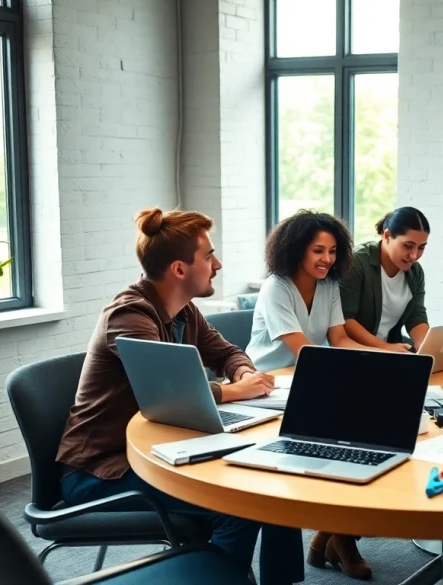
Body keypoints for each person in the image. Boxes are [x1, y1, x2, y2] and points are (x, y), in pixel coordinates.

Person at [56, 208, 304, 585]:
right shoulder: (129, 314)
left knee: (271, 483)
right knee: (240, 504)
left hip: (164, 447)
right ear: (179, 269)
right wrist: (235, 390)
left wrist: (245, 372)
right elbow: (168, 390)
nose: (217, 264)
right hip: (103, 470)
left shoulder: (184, 310)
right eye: (209, 256)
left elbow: (225, 352)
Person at [244, 210, 373, 580]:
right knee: (347, 437)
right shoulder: (276, 287)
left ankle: (332, 538)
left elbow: (340, 339)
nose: (327, 259)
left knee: (361, 442)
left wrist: (387, 359)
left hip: (308, 381)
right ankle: (336, 539)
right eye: (318, 250)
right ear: (297, 249)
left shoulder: (329, 285)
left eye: (333, 251)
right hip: (265, 388)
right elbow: (302, 349)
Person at [341, 207, 430, 351]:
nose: (414, 256)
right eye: (408, 246)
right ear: (387, 236)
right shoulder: (357, 262)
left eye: (421, 248)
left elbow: (416, 316)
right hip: (356, 352)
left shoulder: (415, 272)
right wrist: (384, 347)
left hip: (389, 350)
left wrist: (427, 349)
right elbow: (345, 319)